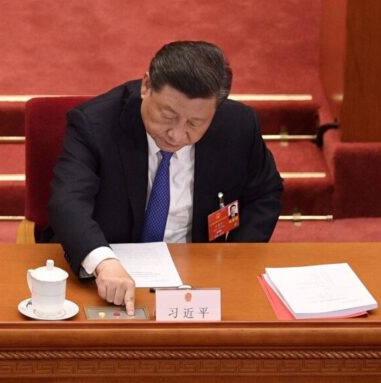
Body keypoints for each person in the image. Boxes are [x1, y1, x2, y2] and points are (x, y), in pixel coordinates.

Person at [46, 41, 283, 314]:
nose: (177, 135)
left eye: (194, 124)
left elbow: (265, 192)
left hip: (199, 273)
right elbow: (67, 202)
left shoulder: (238, 126)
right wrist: (103, 261)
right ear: (146, 86)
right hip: (111, 270)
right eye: (167, 116)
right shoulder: (95, 124)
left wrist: (234, 258)